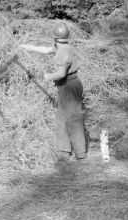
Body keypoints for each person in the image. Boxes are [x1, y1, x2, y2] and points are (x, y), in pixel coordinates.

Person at [19, 22, 87, 162]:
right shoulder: (62, 46)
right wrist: (26, 47)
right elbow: (46, 50)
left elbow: (61, 74)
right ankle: (63, 151)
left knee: (73, 119)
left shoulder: (64, 51)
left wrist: (47, 76)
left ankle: (81, 153)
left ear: (55, 37)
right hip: (65, 86)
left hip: (70, 86)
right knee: (61, 117)